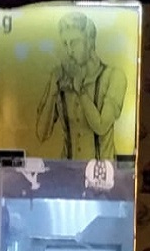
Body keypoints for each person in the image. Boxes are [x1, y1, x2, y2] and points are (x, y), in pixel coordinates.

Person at [36, 12, 127, 160]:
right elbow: (42, 134)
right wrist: (52, 92)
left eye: (74, 43)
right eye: (65, 44)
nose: (69, 51)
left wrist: (81, 92)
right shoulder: (60, 77)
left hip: (102, 172)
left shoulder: (114, 76)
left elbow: (101, 127)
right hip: (66, 169)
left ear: (90, 41)